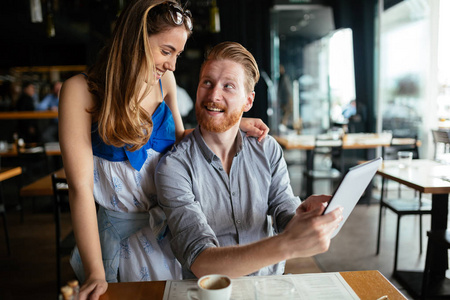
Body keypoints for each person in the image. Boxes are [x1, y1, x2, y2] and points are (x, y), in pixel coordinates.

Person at [58, 1, 268, 299]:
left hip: (174, 230)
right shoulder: (80, 91)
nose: (172, 65)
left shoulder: (164, 81)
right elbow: (79, 189)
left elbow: (183, 142)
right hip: (121, 242)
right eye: (166, 51)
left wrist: (233, 122)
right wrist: (95, 272)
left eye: (177, 54)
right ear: (134, 39)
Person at [155, 42, 343, 279]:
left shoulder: (267, 149)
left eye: (228, 87)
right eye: (207, 83)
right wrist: (288, 244)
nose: (214, 95)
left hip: (269, 287)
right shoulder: (174, 166)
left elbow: (284, 211)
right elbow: (200, 260)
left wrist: (302, 217)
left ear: (248, 101)